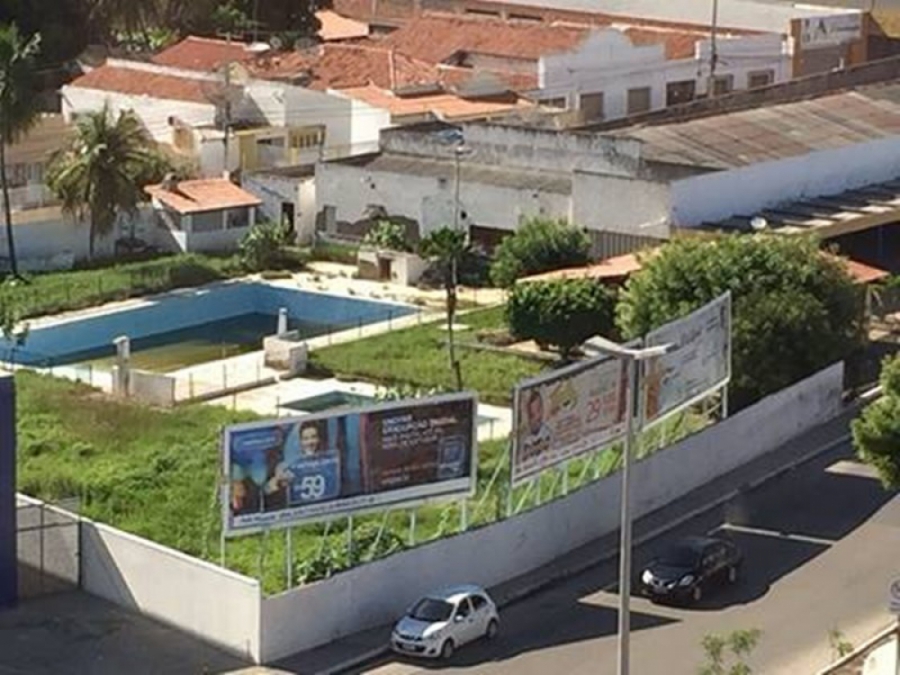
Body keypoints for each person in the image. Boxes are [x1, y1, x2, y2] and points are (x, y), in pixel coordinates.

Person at [520, 388, 551, 463]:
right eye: (532, 415)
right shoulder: (526, 438)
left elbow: (548, 443)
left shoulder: (546, 431)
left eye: (539, 410)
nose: (537, 417)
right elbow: (523, 456)